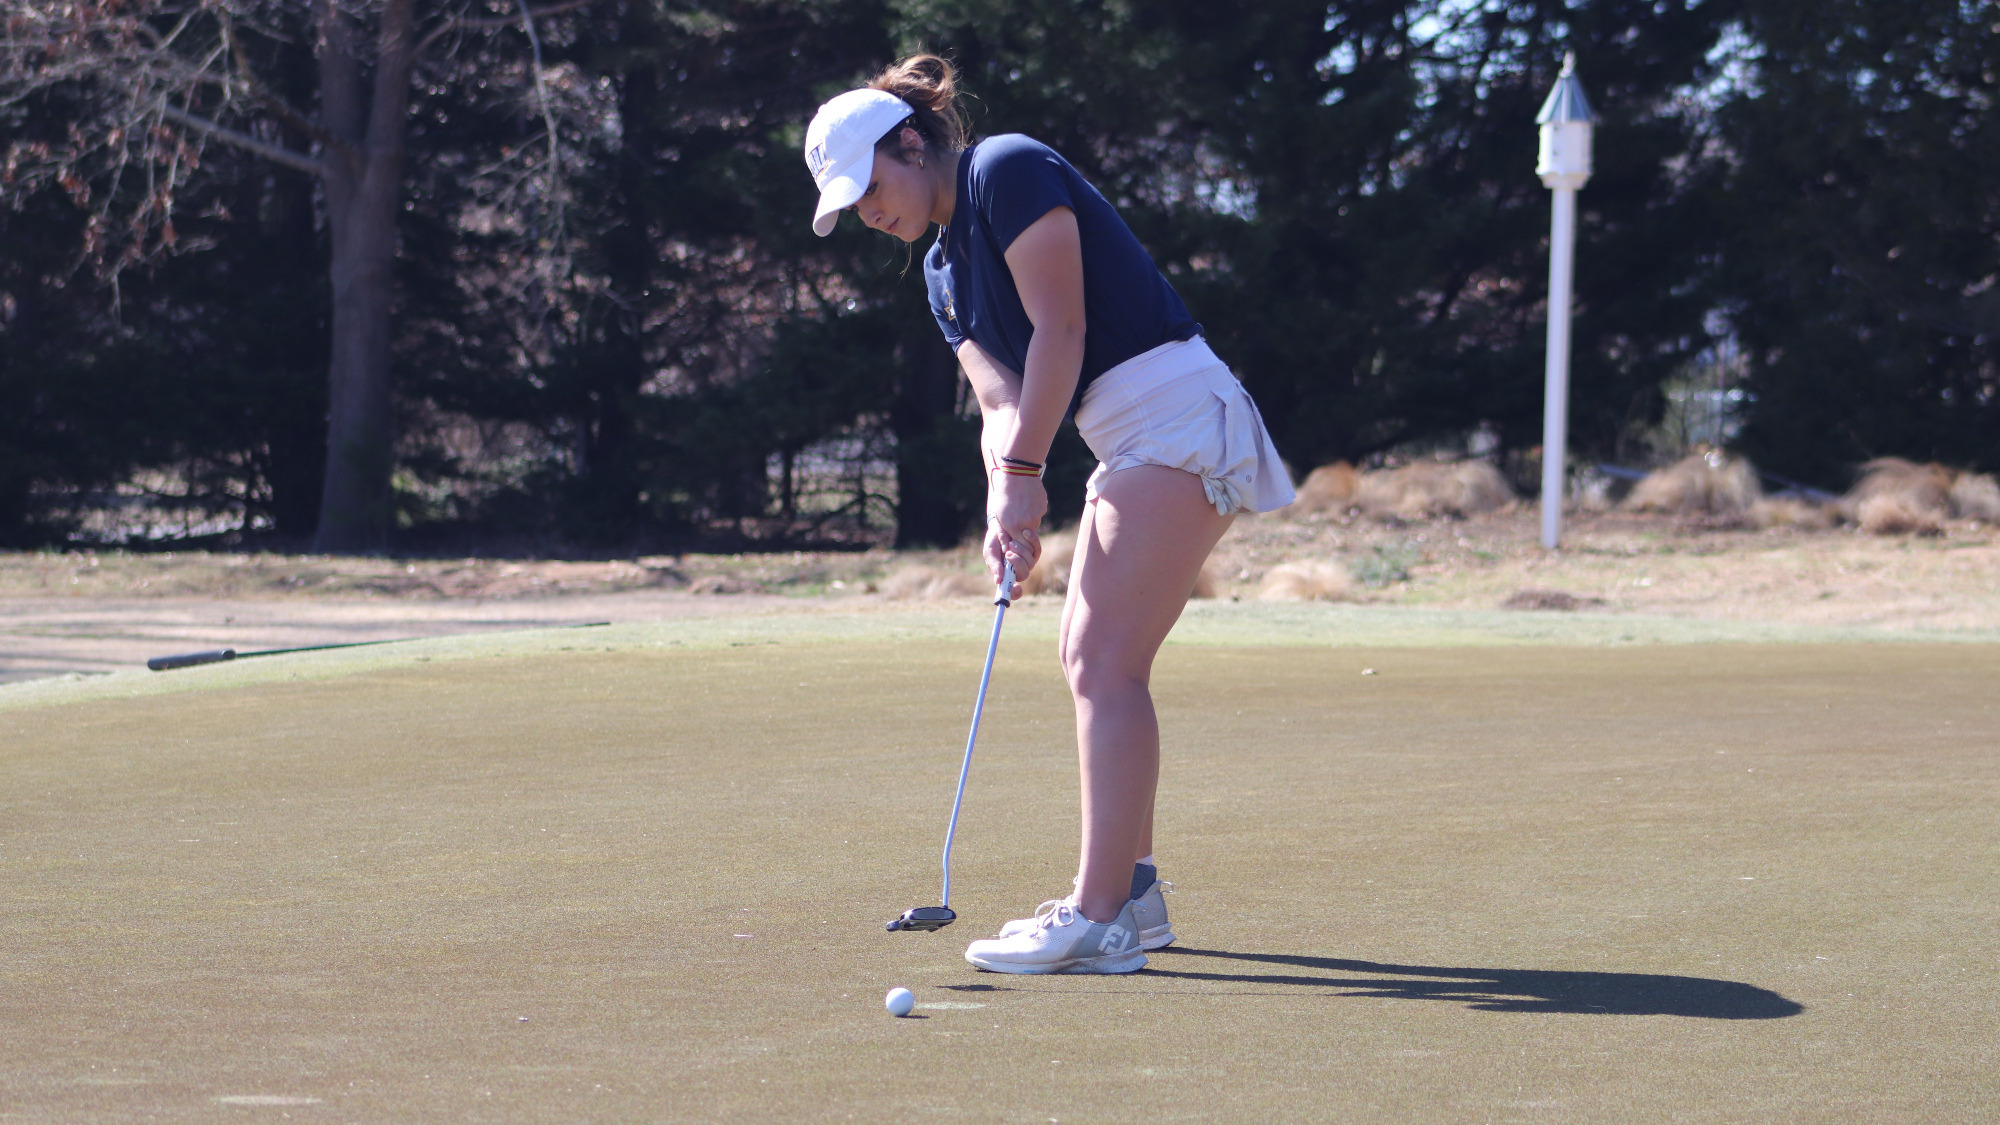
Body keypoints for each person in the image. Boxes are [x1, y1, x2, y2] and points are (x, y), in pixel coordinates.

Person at [803, 56, 1295, 974]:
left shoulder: (1007, 168)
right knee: (1097, 658)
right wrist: (1007, 489)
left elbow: (1061, 331)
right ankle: (1134, 896)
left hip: (1179, 411)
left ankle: (1098, 913)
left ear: (911, 142)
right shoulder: (942, 273)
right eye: (852, 204)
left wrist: (1031, 468)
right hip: (1131, 436)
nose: (869, 213)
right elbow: (1001, 399)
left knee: (1100, 660)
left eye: (870, 186)